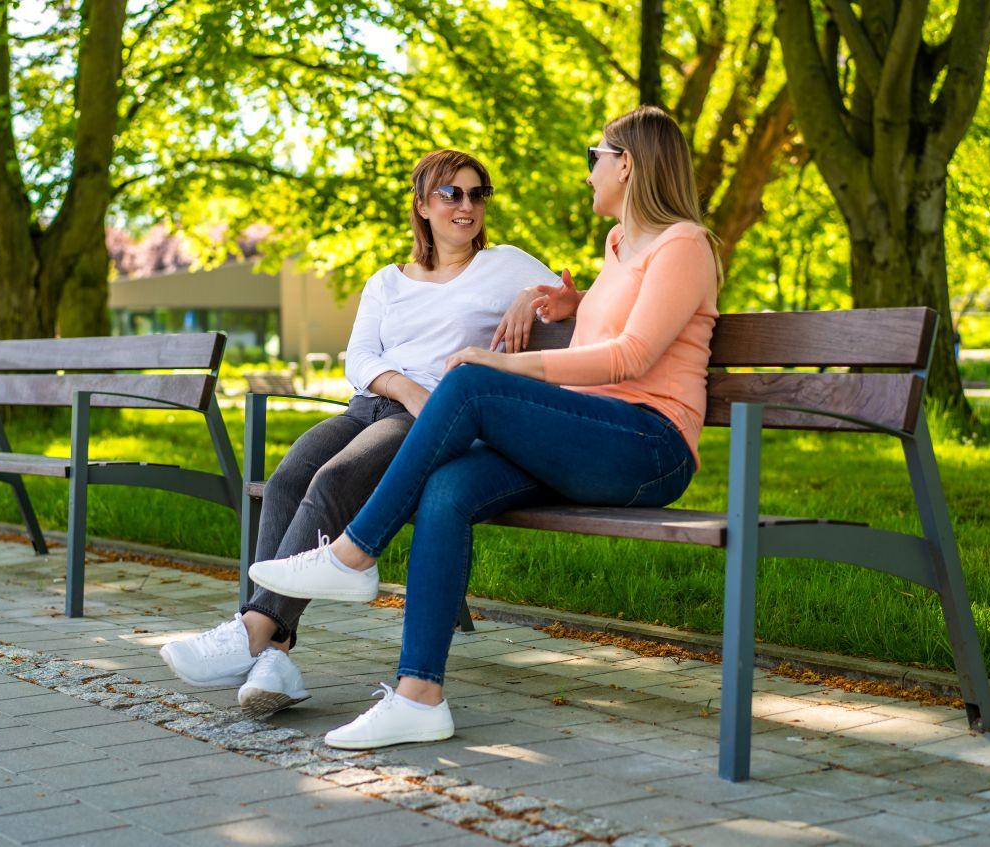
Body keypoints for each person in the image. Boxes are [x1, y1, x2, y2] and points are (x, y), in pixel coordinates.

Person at [249, 105, 720, 749]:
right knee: (447, 488)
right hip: (586, 435)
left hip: (647, 444)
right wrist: (568, 303)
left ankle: (353, 553)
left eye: (596, 159)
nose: (589, 175)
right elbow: (616, 319)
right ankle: (419, 696)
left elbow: (634, 357)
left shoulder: (684, 244)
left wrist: (507, 362)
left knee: (469, 381)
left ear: (627, 164)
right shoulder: (620, 246)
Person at [159, 149, 560, 717]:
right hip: (372, 405)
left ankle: (250, 630)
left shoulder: (507, 265)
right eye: (451, 194)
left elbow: (578, 301)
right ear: (423, 205)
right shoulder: (387, 281)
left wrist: (531, 295)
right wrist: (401, 384)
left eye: (476, 194)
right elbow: (359, 357)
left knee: (334, 480)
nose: (466, 206)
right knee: (286, 479)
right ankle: (276, 654)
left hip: (433, 423)